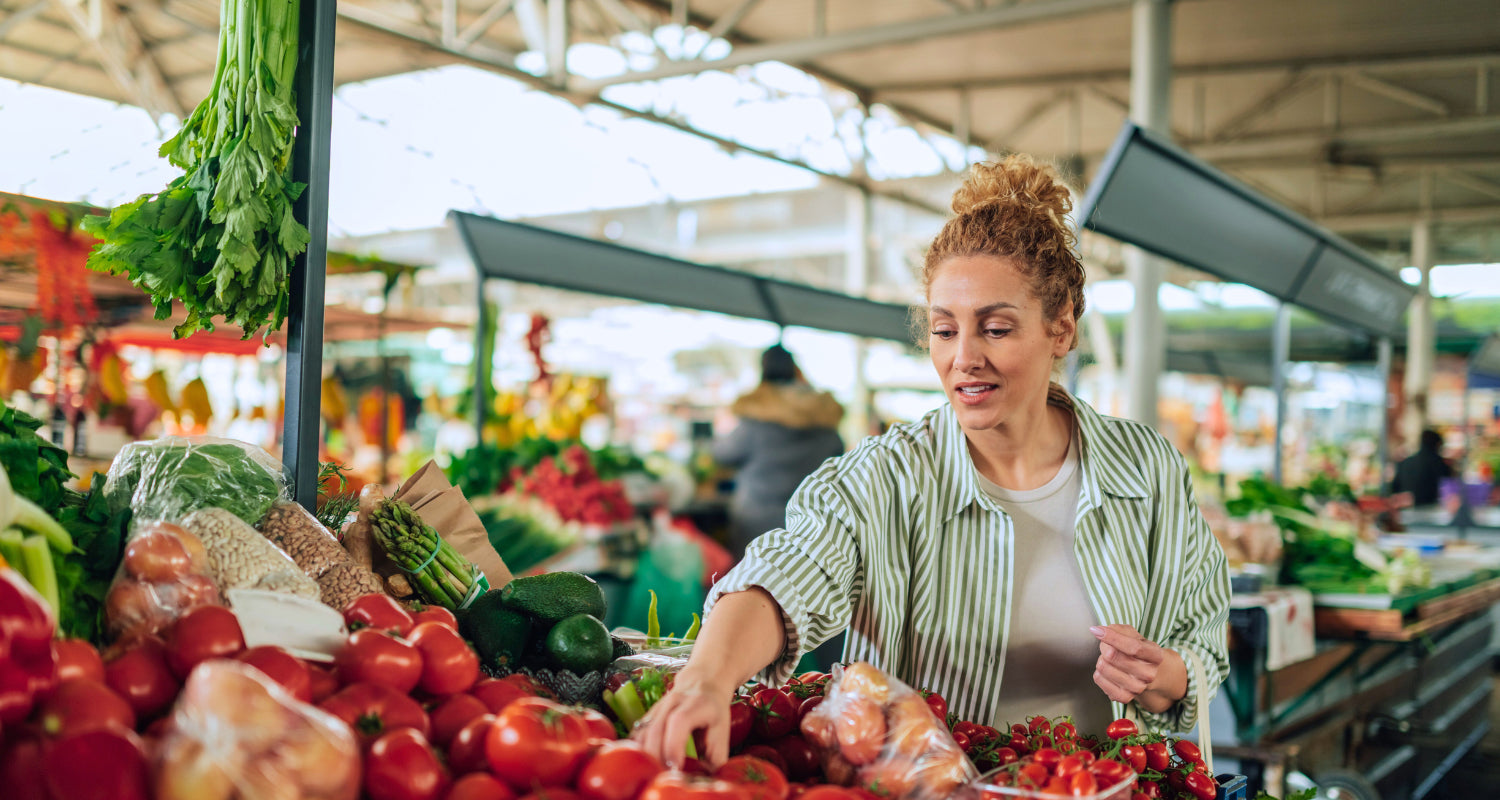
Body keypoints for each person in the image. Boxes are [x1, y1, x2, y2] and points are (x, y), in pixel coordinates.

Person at [636, 156, 1231, 767]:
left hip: (1106, 783)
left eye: (995, 329)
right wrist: (706, 678)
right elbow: (788, 573)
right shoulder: (885, 479)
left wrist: (1168, 675)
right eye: (945, 331)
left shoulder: (1147, 471)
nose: (964, 358)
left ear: (1061, 329)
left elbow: (1204, 636)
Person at [712, 345, 846, 561]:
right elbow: (838, 453)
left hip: (755, 519)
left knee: (751, 582)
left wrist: (720, 430)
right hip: (809, 520)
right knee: (801, 584)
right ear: (796, 369)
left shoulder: (758, 413)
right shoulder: (821, 412)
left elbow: (723, 454)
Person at [1390, 429, 1453, 507]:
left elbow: (1395, 487)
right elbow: (1447, 489)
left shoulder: (1406, 462)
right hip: (1431, 508)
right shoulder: (1439, 463)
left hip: (1407, 509)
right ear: (1437, 444)